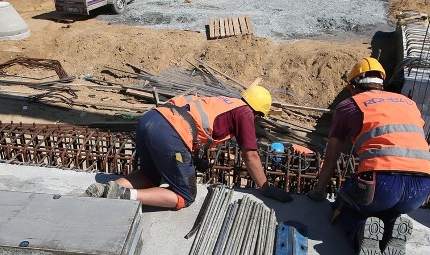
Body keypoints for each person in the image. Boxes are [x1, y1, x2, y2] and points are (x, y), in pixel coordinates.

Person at [307, 57, 430, 255]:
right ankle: (394, 224)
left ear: (353, 86)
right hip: (421, 188)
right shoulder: (408, 103)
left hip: (381, 183)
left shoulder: (349, 106)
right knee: (388, 207)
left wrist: (318, 192)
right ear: (381, 82)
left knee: (346, 203)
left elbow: (331, 156)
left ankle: (359, 232)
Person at [84, 85, 293, 209]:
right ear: (258, 113)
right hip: (169, 132)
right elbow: (251, 156)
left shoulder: (226, 102)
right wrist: (265, 187)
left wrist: (194, 156)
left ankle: (106, 189)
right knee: (185, 195)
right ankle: (124, 195)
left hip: (150, 119)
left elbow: (198, 125)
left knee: (150, 175)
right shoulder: (245, 113)